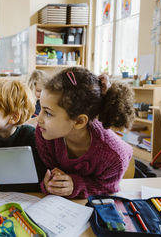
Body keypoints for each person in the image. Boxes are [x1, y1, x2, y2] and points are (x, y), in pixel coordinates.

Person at [36, 67, 135, 199]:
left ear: (79, 121)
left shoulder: (114, 156)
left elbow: (107, 188)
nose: (39, 119)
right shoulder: (45, 134)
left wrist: (76, 186)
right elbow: (46, 175)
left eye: (48, 113)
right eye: (41, 108)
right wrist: (51, 184)